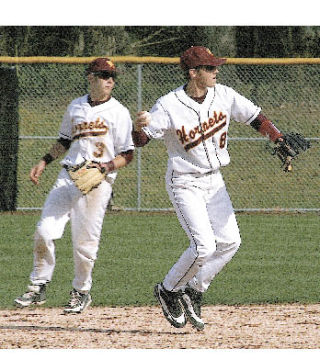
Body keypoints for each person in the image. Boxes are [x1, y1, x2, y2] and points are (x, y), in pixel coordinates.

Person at [132, 46, 284, 330]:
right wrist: (138, 127)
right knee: (204, 246)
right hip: (185, 181)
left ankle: (193, 291)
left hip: (215, 181)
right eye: (210, 68)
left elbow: (255, 117)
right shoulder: (168, 105)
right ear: (193, 73)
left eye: (215, 67)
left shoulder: (224, 95)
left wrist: (277, 137)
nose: (216, 71)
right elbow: (141, 140)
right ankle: (168, 289)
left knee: (230, 242)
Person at [14, 57, 134, 313]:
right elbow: (64, 140)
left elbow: (128, 154)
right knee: (44, 230)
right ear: (90, 77)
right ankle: (38, 285)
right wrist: (44, 161)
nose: (109, 80)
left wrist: (105, 168)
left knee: (84, 242)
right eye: (103, 75)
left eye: (112, 76)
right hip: (67, 175)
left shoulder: (119, 112)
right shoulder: (76, 106)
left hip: (96, 181)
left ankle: (81, 291)